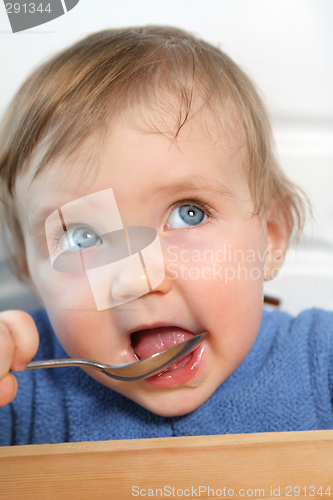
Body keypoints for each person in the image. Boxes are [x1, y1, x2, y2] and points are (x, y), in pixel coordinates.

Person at [0, 26, 332, 446]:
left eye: (188, 215)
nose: (138, 278)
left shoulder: (321, 360)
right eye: (82, 238)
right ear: (32, 275)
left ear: (268, 240)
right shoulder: (18, 388)